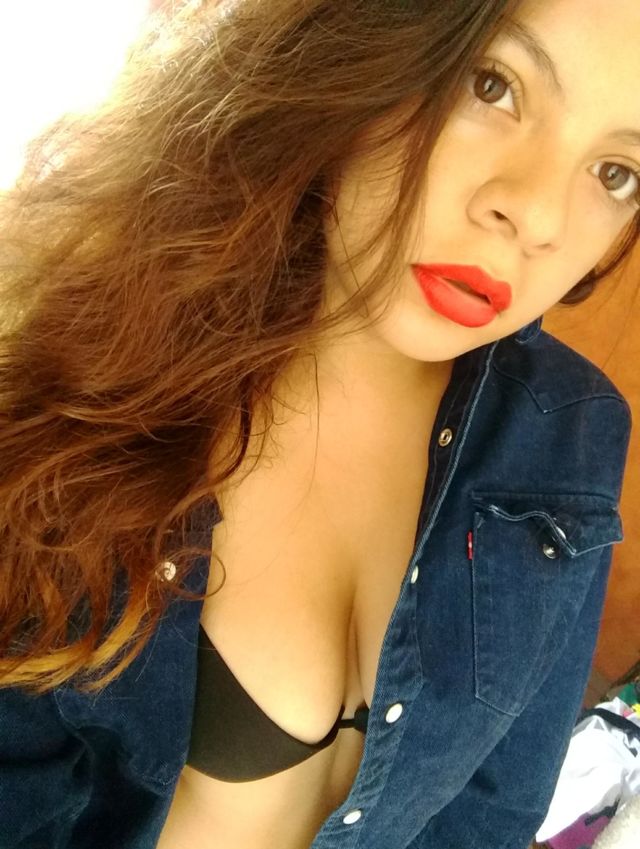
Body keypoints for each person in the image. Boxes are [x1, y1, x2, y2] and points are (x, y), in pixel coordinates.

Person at [0, 0, 637, 847]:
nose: (539, 217)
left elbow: (490, 815)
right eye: (492, 85)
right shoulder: (92, 370)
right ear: (357, 47)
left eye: (616, 172)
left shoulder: (571, 434)